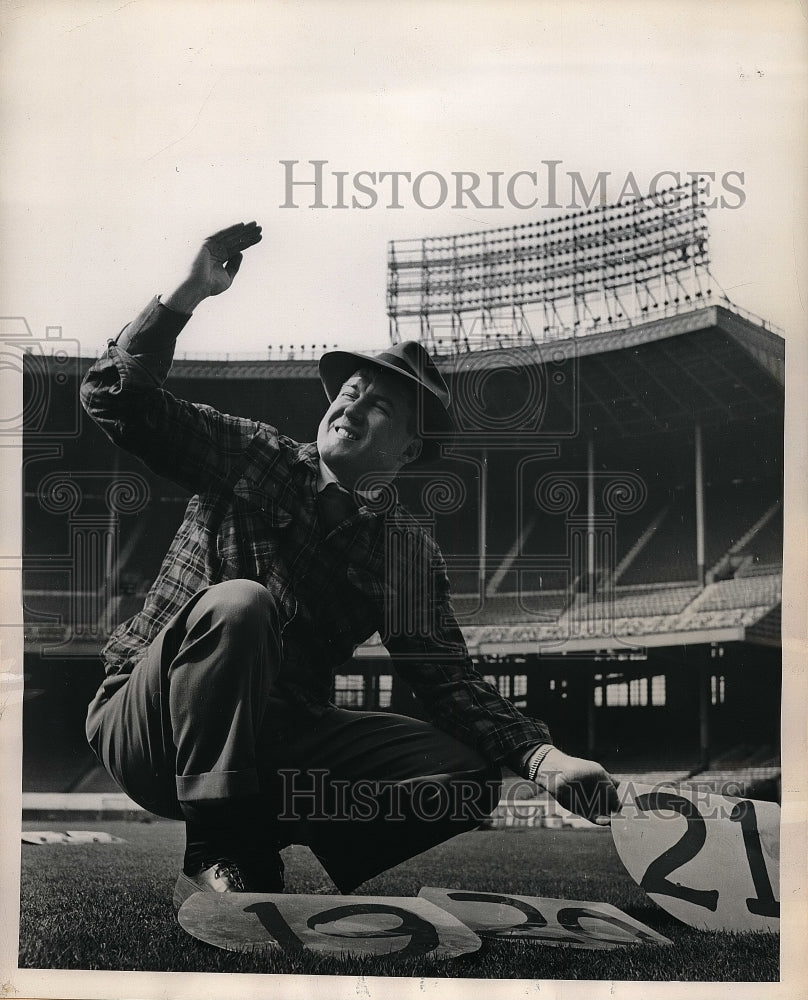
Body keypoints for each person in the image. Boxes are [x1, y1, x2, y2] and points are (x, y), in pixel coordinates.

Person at [80, 221, 619, 909]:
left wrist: (543, 759)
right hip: (148, 722)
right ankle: (218, 844)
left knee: (469, 774)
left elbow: (447, 682)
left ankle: (262, 835)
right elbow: (111, 400)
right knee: (241, 603)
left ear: (407, 449)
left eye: (380, 403)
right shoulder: (254, 453)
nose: (352, 404)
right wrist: (185, 297)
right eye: (352, 390)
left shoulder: (403, 551)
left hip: (276, 745)